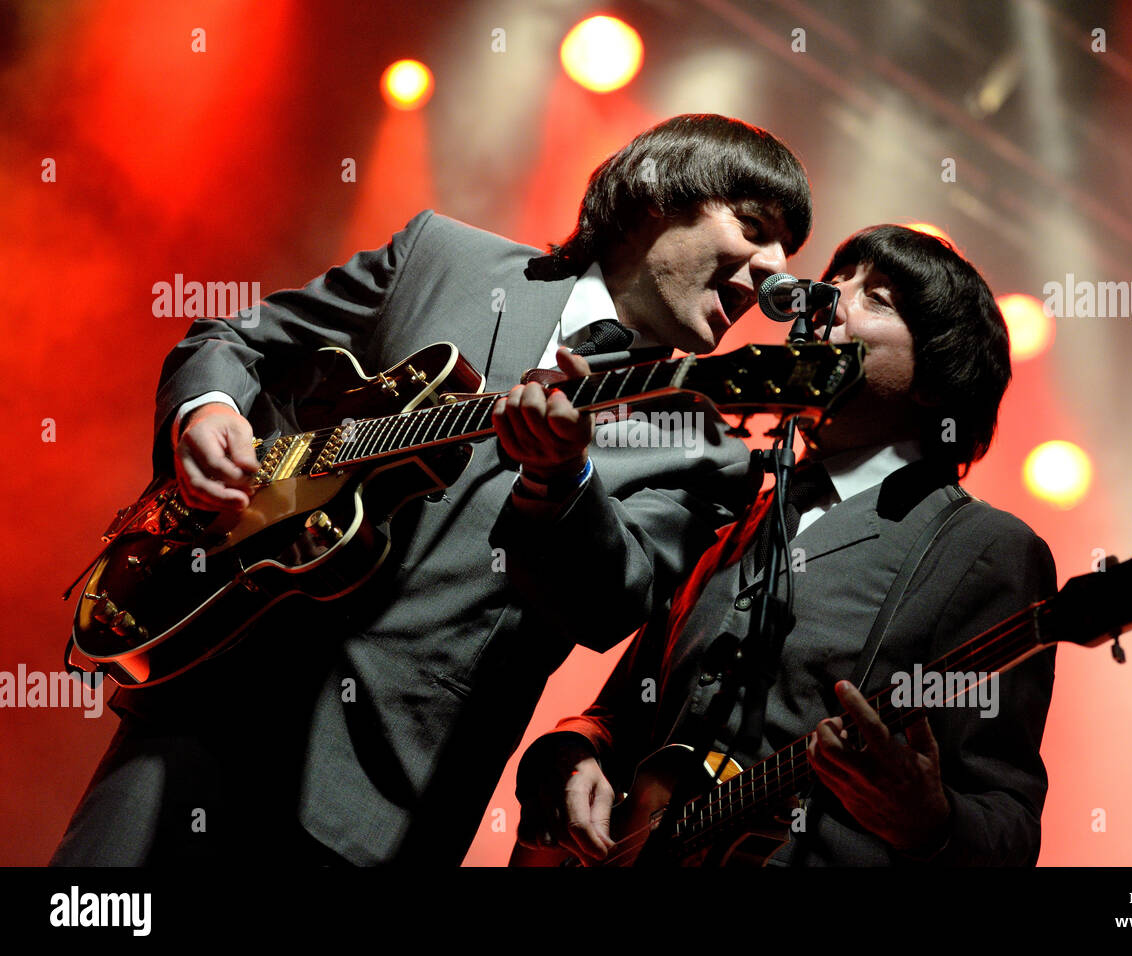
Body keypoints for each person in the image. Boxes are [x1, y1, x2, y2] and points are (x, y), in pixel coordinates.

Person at [51, 114, 811, 865]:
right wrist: (206, 411)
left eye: (787, 251)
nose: (775, 267)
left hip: (381, 812)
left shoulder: (704, 450)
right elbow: (234, 340)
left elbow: (608, 603)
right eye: (753, 227)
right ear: (654, 194)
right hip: (200, 718)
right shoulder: (441, 256)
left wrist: (561, 479)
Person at [513, 225, 1057, 866]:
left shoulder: (985, 550)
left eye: (877, 298)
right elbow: (622, 710)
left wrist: (930, 821)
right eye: (836, 280)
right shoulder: (743, 507)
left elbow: (1009, 826)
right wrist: (571, 750)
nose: (825, 298)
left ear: (937, 381)